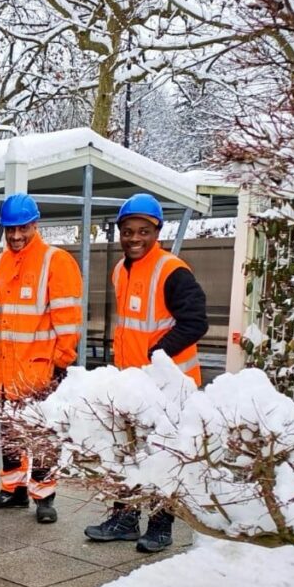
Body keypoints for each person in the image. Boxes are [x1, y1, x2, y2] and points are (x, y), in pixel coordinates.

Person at [84, 192, 209, 553]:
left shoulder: (173, 271)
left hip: (169, 386)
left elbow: (195, 322)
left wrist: (158, 355)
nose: (135, 238)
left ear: (157, 231)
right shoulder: (121, 270)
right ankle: (124, 518)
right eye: (128, 231)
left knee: (163, 456)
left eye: (143, 231)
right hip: (133, 383)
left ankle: (160, 525)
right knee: (127, 453)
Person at [0, 193, 83, 523]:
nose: (17, 236)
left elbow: (68, 319)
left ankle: (44, 496)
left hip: (41, 371)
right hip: (7, 371)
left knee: (43, 436)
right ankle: (13, 490)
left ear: (36, 225)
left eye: (23, 228)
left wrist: (61, 363)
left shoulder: (56, 262)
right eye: (11, 230)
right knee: (9, 435)